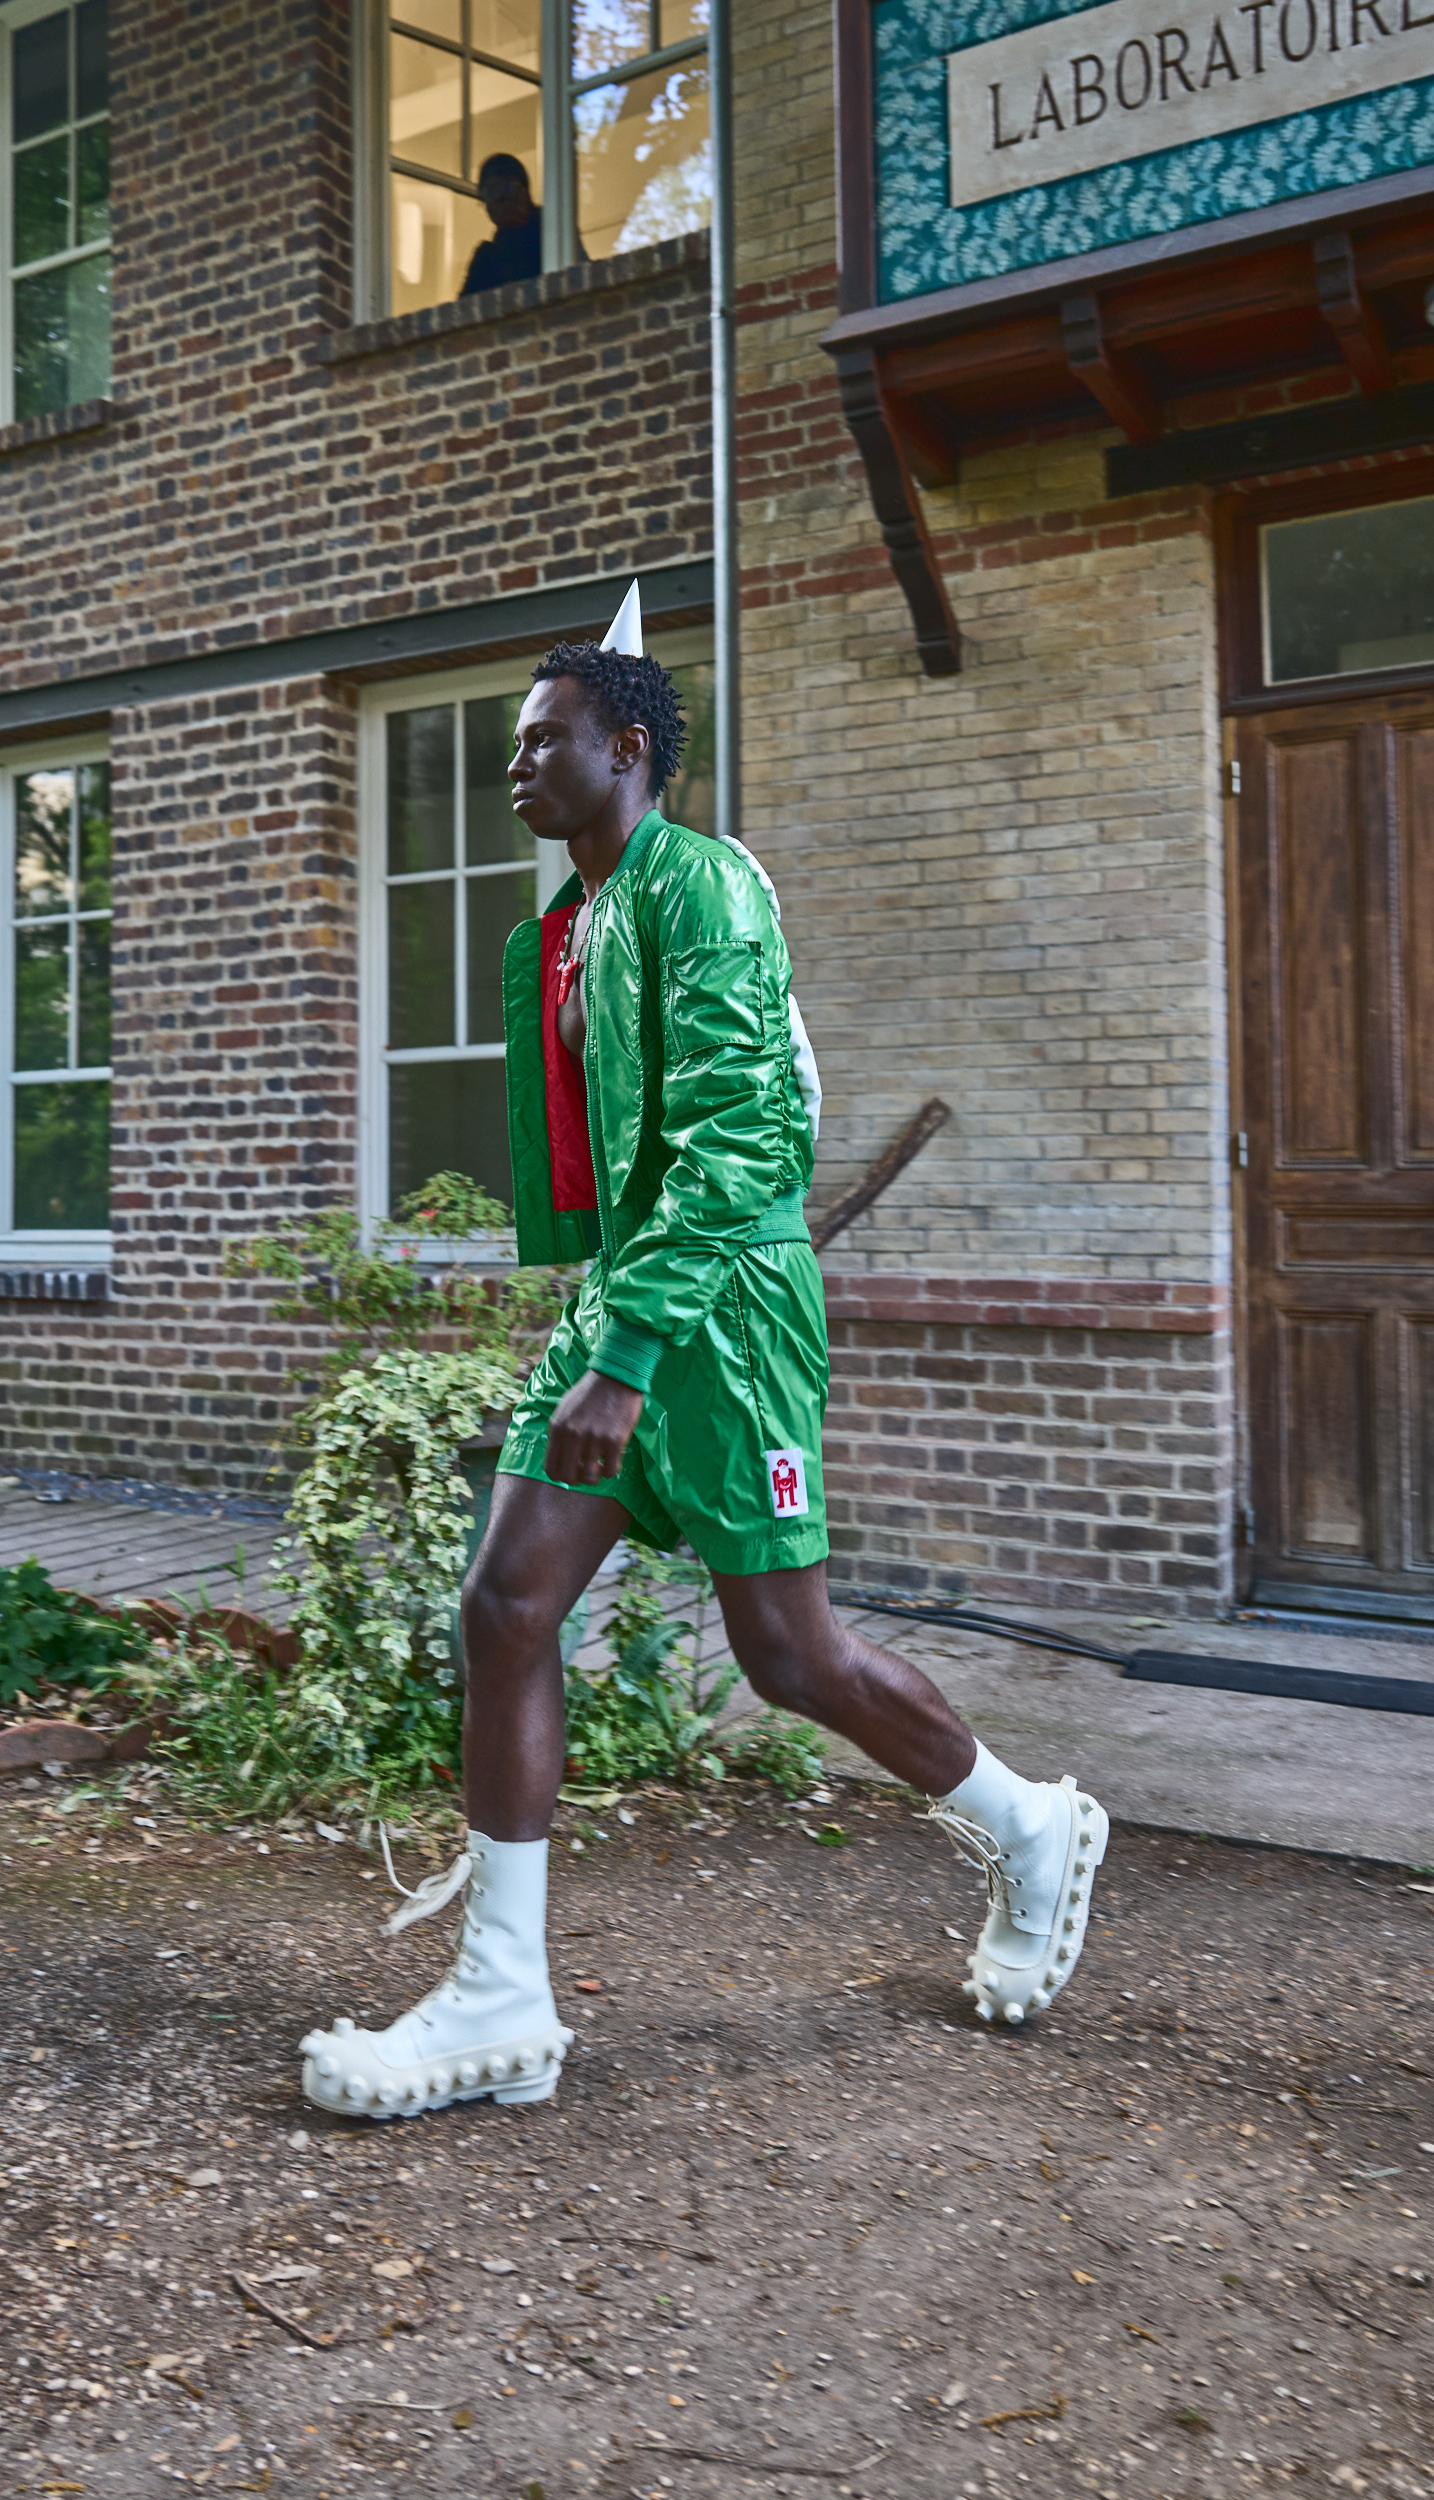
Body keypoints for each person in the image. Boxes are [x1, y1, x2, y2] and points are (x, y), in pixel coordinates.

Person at [300, 587, 1110, 2123]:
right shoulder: (577, 919)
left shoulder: (704, 890)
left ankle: (1028, 1825)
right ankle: (500, 2002)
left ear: (626, 745)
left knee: (787, 1657)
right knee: (507, 1601)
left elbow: (744, 1144)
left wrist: (629, 1354)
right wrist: (602, 1327)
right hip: (631, 1298)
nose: (514, 768)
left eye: (540, 742)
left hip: (722, 1314)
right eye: (511, 745)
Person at [459, 153, 545, 296]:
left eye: (505, 188)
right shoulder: (489, 256)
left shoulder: (552, 228)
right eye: (489, 192)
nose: (498, 199)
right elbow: (462, 311)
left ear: (524, 191)